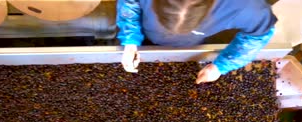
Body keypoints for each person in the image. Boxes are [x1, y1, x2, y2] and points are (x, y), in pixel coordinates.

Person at [117, 0, 277, 84]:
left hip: (196, 41)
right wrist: (130, 41)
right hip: (147, 32)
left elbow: (257, 36)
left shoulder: (246, 7)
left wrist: (221, 66)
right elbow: (129, 4)